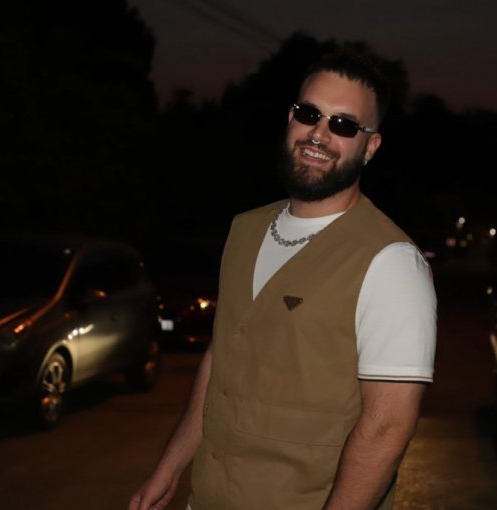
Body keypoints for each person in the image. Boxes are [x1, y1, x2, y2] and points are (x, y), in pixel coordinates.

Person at [129, 45, 437, 510]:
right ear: (291, 118)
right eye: (309, 114)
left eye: (344, 124)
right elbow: (222, 358)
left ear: (370, 146)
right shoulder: (244, 229)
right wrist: (169, 467)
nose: (319, 134)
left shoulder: (392, 261)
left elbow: (387, 426)